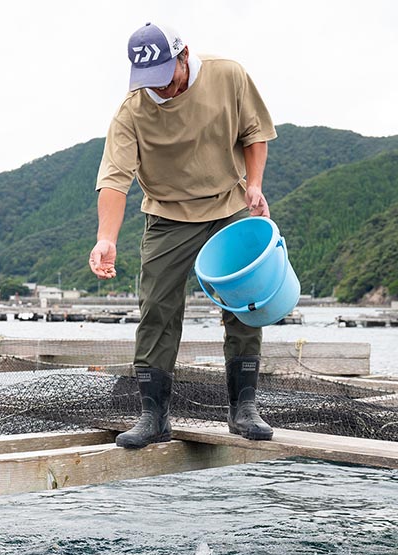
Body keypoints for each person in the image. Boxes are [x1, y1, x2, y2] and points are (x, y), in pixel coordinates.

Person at [88, 22, 278, 449]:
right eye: (149, 80)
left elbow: (254, 133)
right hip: (167, 213)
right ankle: (153, 416)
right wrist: (106, 238)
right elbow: (114, 179)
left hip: (227, 204)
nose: (161, 88)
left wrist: (254, 184)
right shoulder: (132, 111)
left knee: (244, 302)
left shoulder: (228, 74)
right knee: (157, 307)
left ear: (184, 55)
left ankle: (243, 409)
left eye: (165, 75)